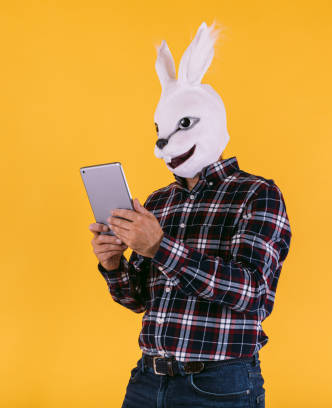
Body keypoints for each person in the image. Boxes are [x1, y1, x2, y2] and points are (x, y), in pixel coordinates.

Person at [88, 22, 291, 408]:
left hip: (219, 385)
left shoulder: (257, 194)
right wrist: (114, 266)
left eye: (182, 125)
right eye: (160, 130)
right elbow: (141, 300)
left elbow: (252, 294)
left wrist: (160, 246)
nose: (164, 141)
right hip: (148, 380)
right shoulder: (160, 201)